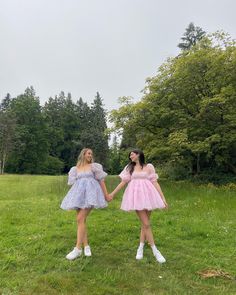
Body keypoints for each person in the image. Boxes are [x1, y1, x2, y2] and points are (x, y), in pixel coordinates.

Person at [109, 149, 168, 263]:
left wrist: (163, 198)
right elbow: (123, 182)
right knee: (146, 223)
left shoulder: (149, 167)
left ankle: (140, 247)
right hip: (136, 198)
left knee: (145, 224)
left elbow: (155, 182)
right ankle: (155, 251)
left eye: (132, 154)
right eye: (130, 155)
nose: (130, 156)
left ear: (139, 155)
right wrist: (112, 193)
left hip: (149, 196)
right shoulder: (129, 168)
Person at [60, 148, 111, 260]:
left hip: (91, 195)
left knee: (79, 219)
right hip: (78, 196)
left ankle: (77, 249)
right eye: (88, 153)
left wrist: (106, 195)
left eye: (91, 154)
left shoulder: (94, 167)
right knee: (81, 221)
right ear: (83, 154)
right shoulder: (75, 169)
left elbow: (101, 181)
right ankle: (86, 245)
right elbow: (74, 183)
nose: (90, 155)